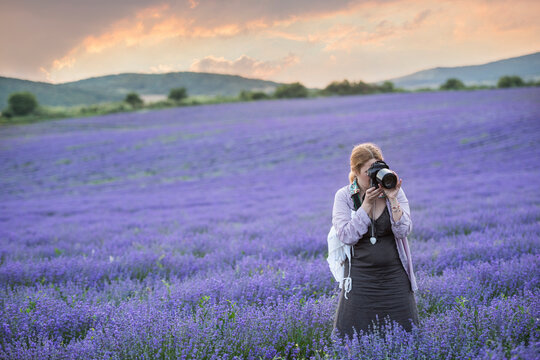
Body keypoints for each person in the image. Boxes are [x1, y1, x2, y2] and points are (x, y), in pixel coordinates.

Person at [331, 142, 419, 341]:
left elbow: (404, 230)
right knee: (355, 339)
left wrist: (393, 199)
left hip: (394, 277)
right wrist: (366, 205)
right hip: (360, 279)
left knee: (405, 337)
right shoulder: (345, 196)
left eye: (378, 169)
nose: (374, 177)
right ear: (355, 170)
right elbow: (347, 236)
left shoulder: (393, 191)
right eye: (368, 171)